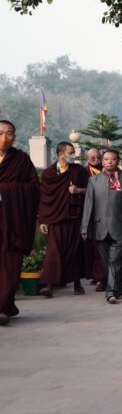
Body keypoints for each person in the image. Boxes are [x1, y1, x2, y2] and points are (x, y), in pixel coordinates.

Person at [81, 149, 122, 304]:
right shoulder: (94, 180)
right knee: (108, 263)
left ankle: (110, 292)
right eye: (106, 159)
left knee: (114, 261)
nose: (110, 162)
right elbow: (88, 205)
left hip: (120, 228)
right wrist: (84, 227)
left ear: (118, 161)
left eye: (113, 159)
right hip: (99, 228)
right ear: (102, 161)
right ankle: (118, 285)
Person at [0, 120, 40, 325]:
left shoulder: (21, 160)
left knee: (9, 266)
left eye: (9, 134)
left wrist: (5, 190)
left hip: (12, 222)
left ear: (14, 137)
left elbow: (33, 188)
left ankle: (3, 307)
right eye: (0, 133)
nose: (4, 138)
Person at [38, 142, 89, 298]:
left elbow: (91, 190)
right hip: (56, 218)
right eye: (70, 152)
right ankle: (49, 284)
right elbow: (45, 197)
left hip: (75, 217)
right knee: (54, 251)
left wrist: (78, 190)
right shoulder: (49, 173)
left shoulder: (79, 170)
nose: (73, 156)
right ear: (61, 154)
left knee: (75, 250)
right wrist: (43, 220)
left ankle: (77, 283)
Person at [83, 148, 107, 291]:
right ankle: (97, 275)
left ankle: (103, 278)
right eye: (92, 157)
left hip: (106, 213)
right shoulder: (83, 172)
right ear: (87, 159)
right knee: (92, 249)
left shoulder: (109, 172)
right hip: (89, 214)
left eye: (98, 157)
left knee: (102, 248)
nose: (96, 159)